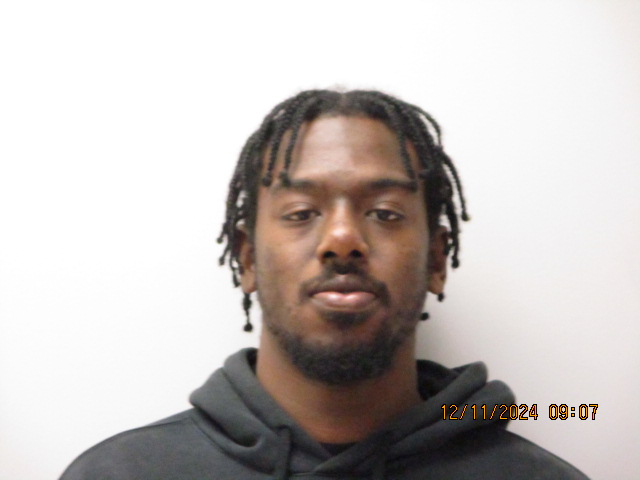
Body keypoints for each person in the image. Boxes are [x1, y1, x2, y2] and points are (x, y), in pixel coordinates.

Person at [60, 89, 588, 479]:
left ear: (436, 259)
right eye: (301, 212)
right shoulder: (116, 474)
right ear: (247, 258)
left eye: (384, 213)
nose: (342, 239)